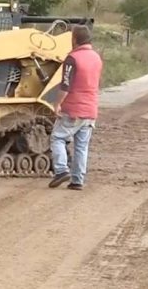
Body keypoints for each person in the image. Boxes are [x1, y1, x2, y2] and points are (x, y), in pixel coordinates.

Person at [48, 24, 103, 190]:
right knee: (81, 146)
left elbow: (66, 85)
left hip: (73, 109)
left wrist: (57, 104)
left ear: (74, 39)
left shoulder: (72, 58)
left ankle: (61, 170)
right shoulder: (96, 57)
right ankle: (77, 180)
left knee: (57, 138)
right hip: (90, 109)